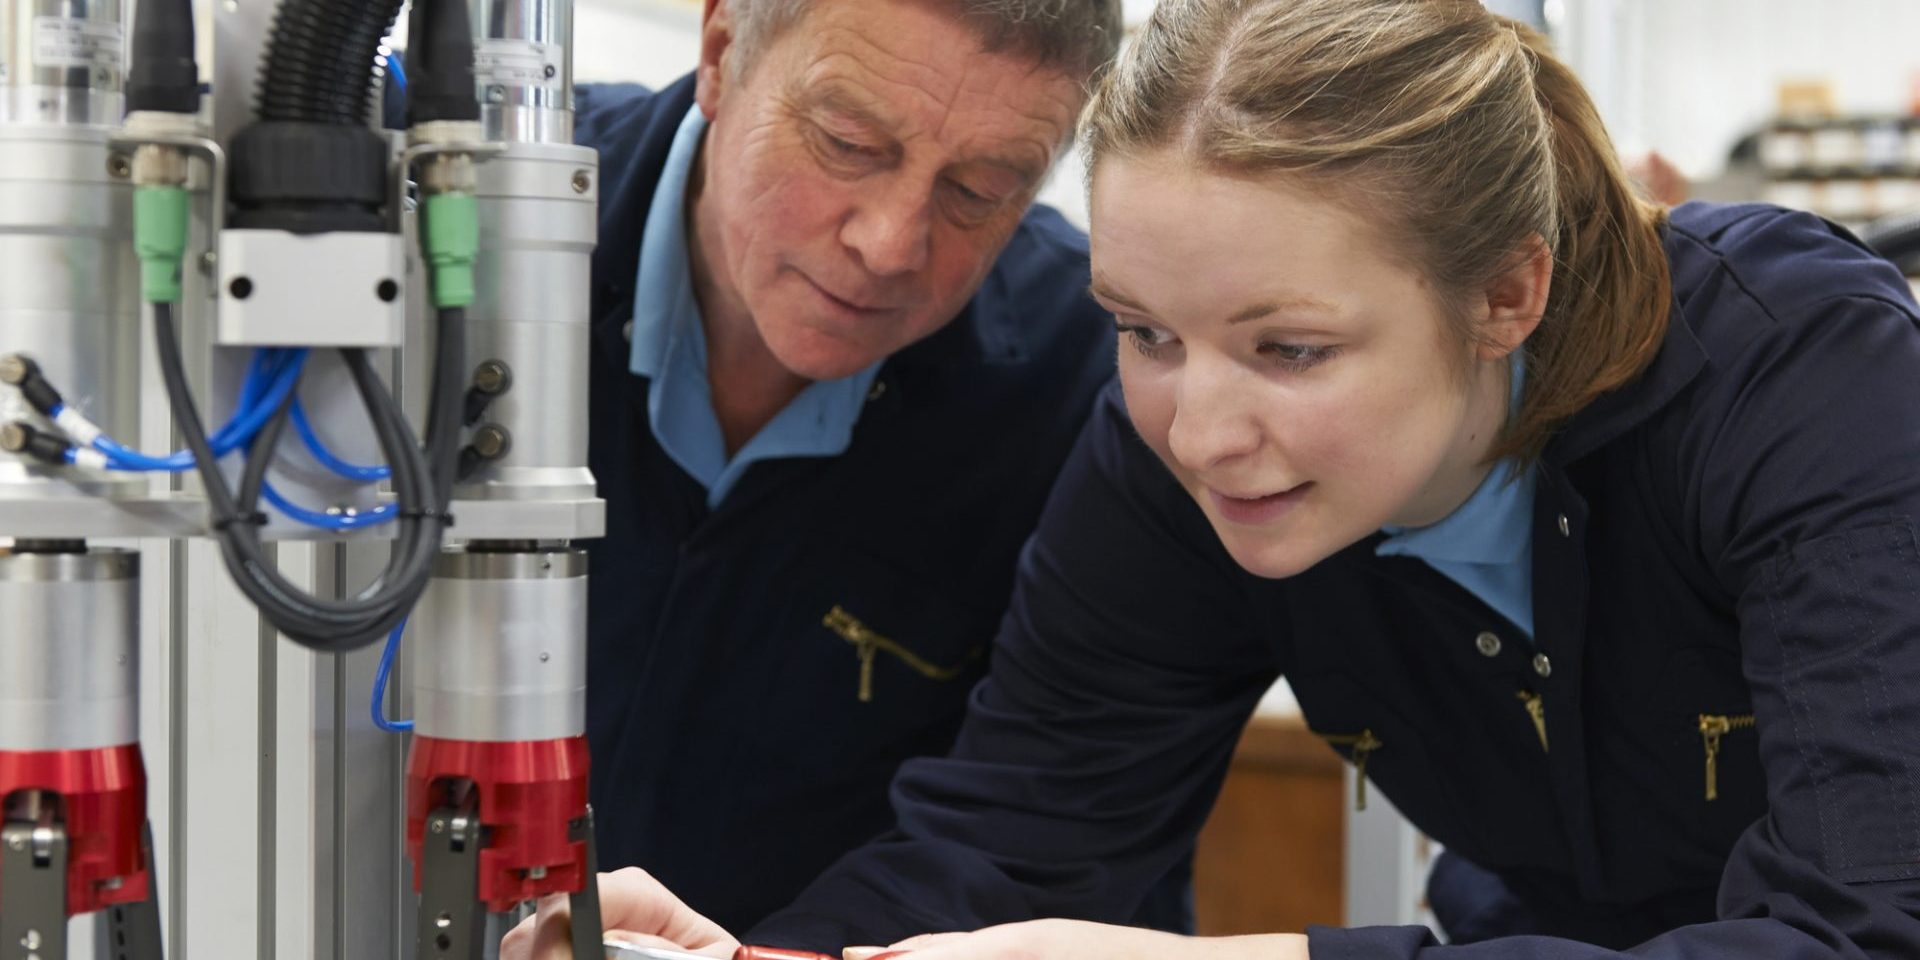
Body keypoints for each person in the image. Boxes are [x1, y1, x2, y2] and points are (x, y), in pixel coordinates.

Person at [512, 0, 1920, 957]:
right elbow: (1020, 839)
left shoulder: (1805, 385)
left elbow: (1863, 927)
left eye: (1292, 348)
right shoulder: (1171, 458)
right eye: (1143, 333)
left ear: (1505, 293)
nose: (1198, 432)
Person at [567, 0, 1161, 938]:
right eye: (847, 143)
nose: (889, 245)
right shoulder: (481, 222)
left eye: (979, 190)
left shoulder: (1098, 386)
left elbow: (1047, 833)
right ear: (722, 52)